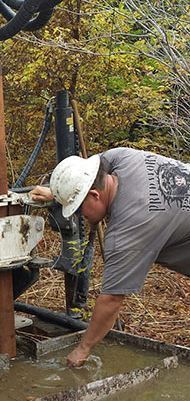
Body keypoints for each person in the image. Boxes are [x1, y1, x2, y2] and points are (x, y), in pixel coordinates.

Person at [31, 147, 190, 368]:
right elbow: (91, 168)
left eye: (78, 210)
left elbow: (112, 300)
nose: (80, 217)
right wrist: (58, 194)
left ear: (95, 195)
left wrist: (83, 349)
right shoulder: (121, 157)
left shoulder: (129, 229)